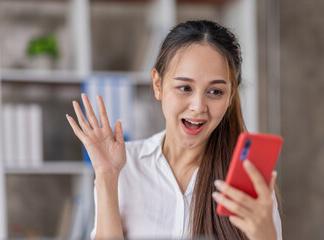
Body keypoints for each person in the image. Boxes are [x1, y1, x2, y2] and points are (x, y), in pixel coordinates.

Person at [66, 20, 282, 240]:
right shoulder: (123, 165)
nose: (198, 106)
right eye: (185, 88)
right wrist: (107, 177)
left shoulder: (248, 179)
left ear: (231, 95)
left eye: (215, 91)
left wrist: (265, 235)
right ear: (158, 85)